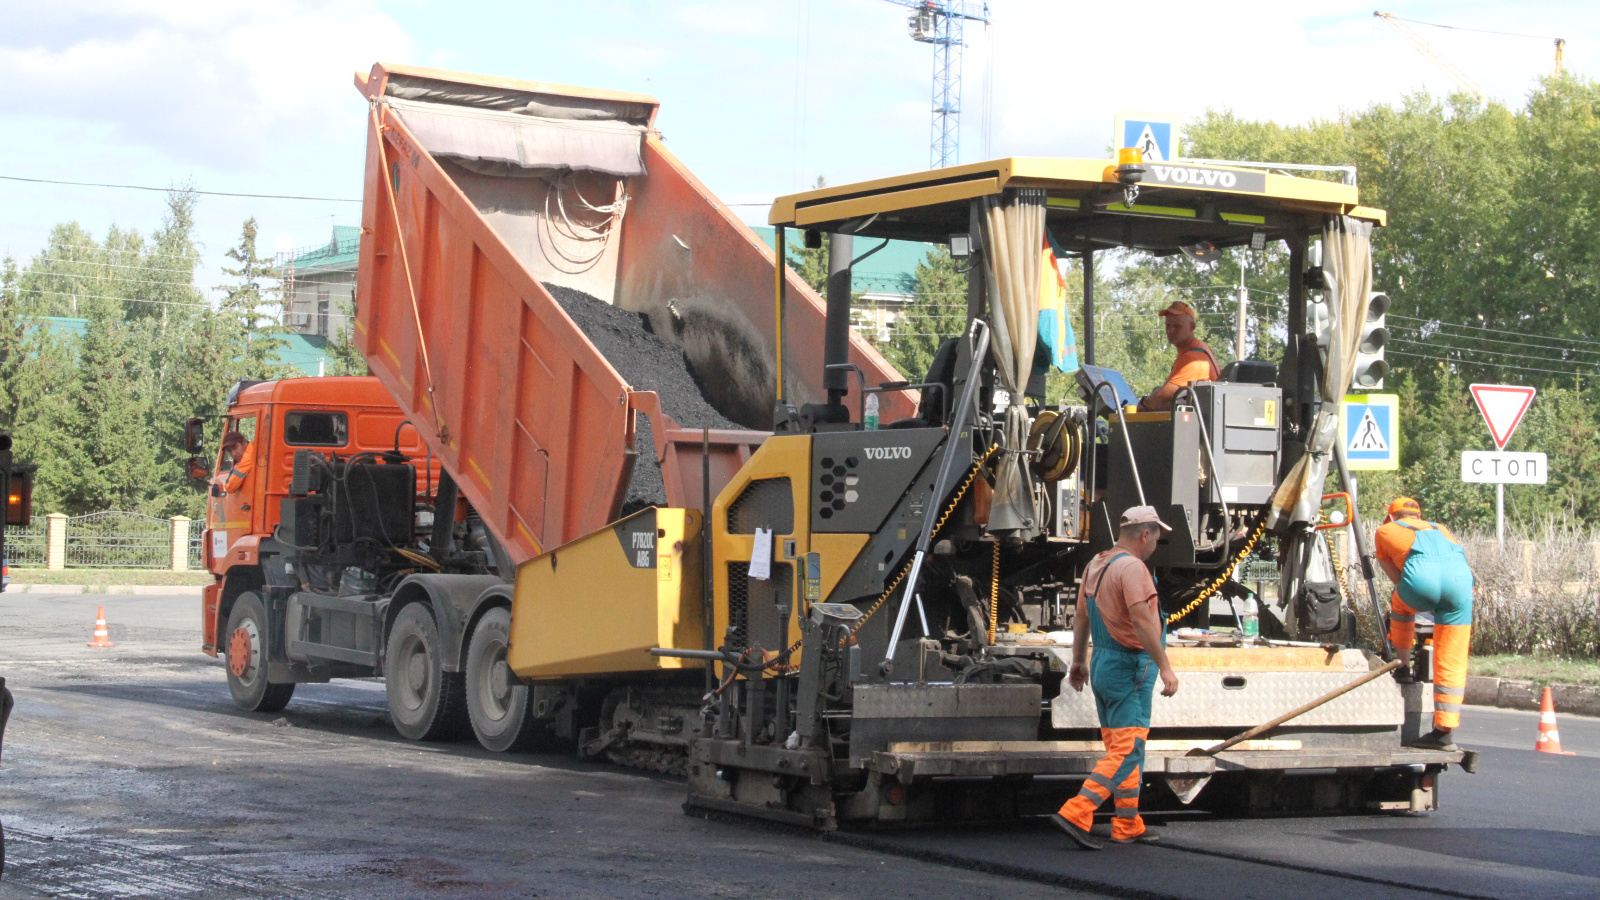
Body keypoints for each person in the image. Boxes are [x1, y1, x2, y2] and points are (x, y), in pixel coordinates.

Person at [1053, 506, 1181, 850]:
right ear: (1144, 534)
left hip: (1103, 663)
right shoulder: (1133, 569)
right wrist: (1165, 666)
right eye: (1157, 537)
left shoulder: (1097, 564)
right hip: (1130, 667)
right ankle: (1077, 811)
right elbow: (1142, 622)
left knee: (1123, 745)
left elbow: (1081, 617)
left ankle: (1127, 823)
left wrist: (1079, 661)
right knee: (1127, 748)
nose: (1157, 543)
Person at [1374, 497, 1474, 751]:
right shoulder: (1441, 528)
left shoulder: (1385, 531)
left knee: (1400, 604)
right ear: (1418, 516)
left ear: (1392, 516)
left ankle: (1403, 666)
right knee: (1452, 653)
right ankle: (1444, 731)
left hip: (1421, 582)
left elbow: (1396, 577)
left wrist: (1412, 593)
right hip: (1460, 583)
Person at [1138, 301, 1220, 412]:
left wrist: (1143, 403)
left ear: (1192, 327)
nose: (1171, 330)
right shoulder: (1200, 347)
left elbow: (1159, 399)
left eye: (1177, 326)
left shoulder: (1192, 358)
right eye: (1168, 325)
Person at [212, 431, 256, 496]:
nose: (233, 454)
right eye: (229, 451)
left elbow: (229, 487)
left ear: (244, 442)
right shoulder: (254, 448)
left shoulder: (251, 453)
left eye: (235, 448)